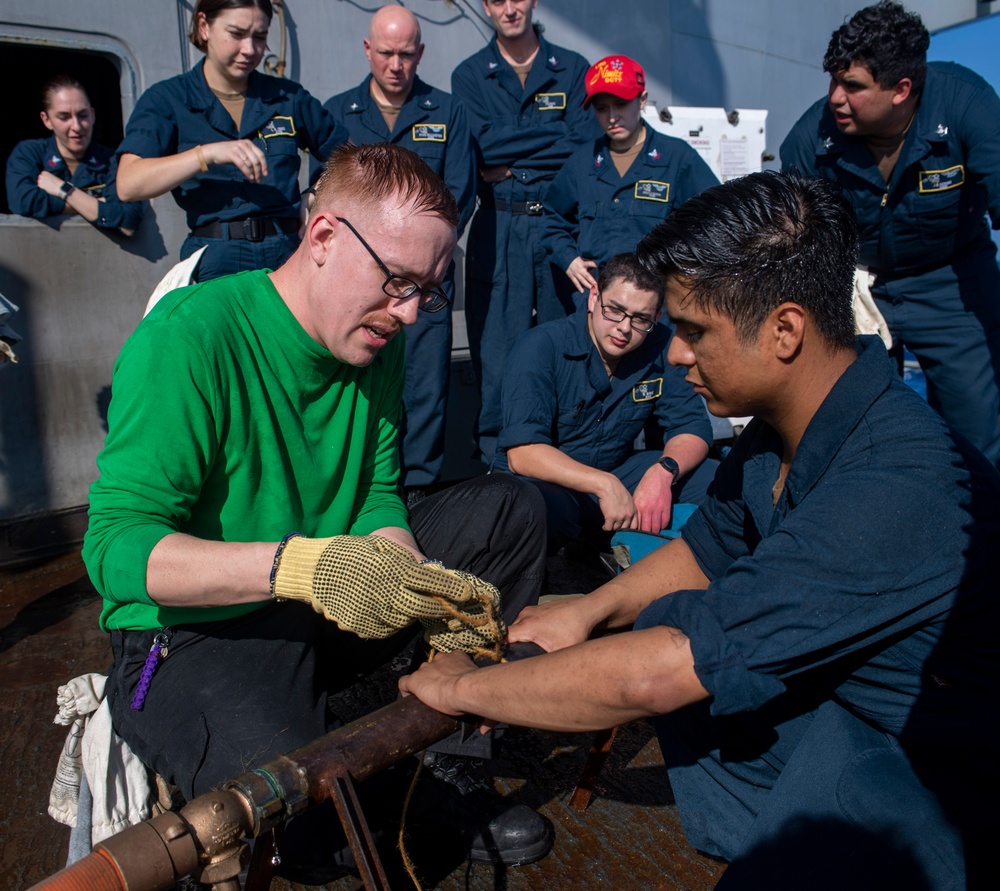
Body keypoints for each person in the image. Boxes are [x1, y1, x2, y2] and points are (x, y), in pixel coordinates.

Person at [400, 171, 1000, 890]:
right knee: (670, 615)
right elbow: (709, 546)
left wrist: (463, 689)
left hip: (938, 778)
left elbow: (662, 672)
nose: (675, 353)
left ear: (784, 329)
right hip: (849, 719)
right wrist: (586, 611)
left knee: (684, 652)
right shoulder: (787, 430)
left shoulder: (897, 480)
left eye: (694, 331)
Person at [82, 143, 552, 883]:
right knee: (301, 824)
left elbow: (374, 490)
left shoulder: (375, 338)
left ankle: (448, 764)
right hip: (197, 628)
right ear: (324, 236)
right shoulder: (192, 337)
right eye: (396, 280)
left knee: (513, 511)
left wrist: (411, 577)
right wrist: (301, 563)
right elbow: (113, 548)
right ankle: (376, 772)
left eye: (427, 290)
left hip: (321, 593)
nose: (407, 312)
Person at [781, 0, 1000, 466]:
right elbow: (792, 238)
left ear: (902, 90)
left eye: (853, 86)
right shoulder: (809, 139)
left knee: (977, 424)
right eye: (833, 80)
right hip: (855, 282)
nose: (835, 98)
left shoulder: (965, 103)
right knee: (847, 423)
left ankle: (980, 530)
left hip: (951, 278)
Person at [324, 5, 476, 505]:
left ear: (420, 54)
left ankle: (417, 493)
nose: (396, 65)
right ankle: (358, 492)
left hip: (424, 285)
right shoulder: (338, 113)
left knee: (426, 390)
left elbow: (457, 195)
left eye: (406, 54)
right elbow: (323, 192)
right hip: (358, 283)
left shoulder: (448, 112)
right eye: (386, 53)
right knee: (355, 381)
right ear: (368, 50)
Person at [452, 0, 597, 461]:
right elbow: (479, 143)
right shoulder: (470, 75)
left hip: (559, 227)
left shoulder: (573, 70)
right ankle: (499, 466)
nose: (509, 8)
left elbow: (582, 141)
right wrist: (547, 138)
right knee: (497, 352)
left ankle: (566, 460)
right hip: (499, 226)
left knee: (567, 344)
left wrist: (508, 153)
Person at [494, 252, 715, 554]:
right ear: (593, 297)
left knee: (715, 479)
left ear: (657, 317)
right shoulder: (541, 346)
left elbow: (691, 428)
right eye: (615, 310)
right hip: (548, 484)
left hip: (616, 473)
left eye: (640, 319)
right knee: (530, 506)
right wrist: (604, 484)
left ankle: (692, 564)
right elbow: (522, 454)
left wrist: (663, 472)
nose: (625, 328)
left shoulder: (661, 346)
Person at [114, 0, 348, 281]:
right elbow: (128, 184)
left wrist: (316, 194)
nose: (250, 49)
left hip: (286, 255)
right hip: (215, 259)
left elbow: (349, 157)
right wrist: (205, 155)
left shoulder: (289, 98)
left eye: (260, 37)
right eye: (236, 34)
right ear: (204, 27)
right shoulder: (168, 100)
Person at [542, 55, 718, 296]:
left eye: (621, 104)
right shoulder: (581, 163)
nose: (612, 116)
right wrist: (568, 259)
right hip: (596, 304)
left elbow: (714, 219)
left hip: (657, 308)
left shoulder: (678, 159)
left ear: (642, 100)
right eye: (602, 108)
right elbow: (552, 217)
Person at [5, 75, 146, 236]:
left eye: (82, 115)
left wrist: (64, 190)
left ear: (93, 115)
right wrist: (97, 204)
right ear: (47, 120)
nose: (77, 126)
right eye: (64, 117)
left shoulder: (113, 160)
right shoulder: (30, 153)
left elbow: (129, 219)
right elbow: (22, 202)